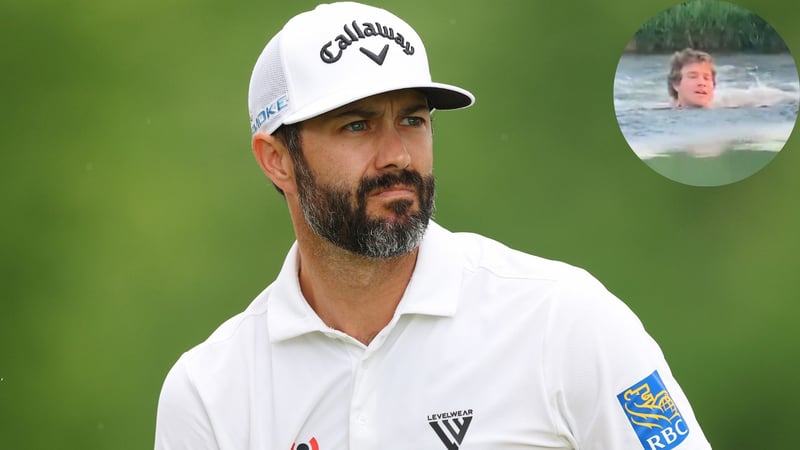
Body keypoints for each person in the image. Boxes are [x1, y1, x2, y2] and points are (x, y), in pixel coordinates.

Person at [154, 3, 713, 449]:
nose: (397, 154)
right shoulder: (210, 393)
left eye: (413, 120)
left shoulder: (564, 319)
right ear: (276, 159)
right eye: (356, 125)